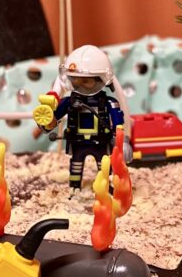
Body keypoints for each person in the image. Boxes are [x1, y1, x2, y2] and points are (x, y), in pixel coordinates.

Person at [33, 45, 131, 190]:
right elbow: (53, 119)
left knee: (104, 166)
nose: (79, 85)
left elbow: (119, 124)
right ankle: (74, 187)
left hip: (100, 142)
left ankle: (105, 188)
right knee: (76, 166)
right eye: (76, 80)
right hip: (77, 142)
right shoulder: (69, 102)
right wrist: (46, 122)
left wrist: (123, 141)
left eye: (86, 81)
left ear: (101, 79)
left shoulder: (109, 103)